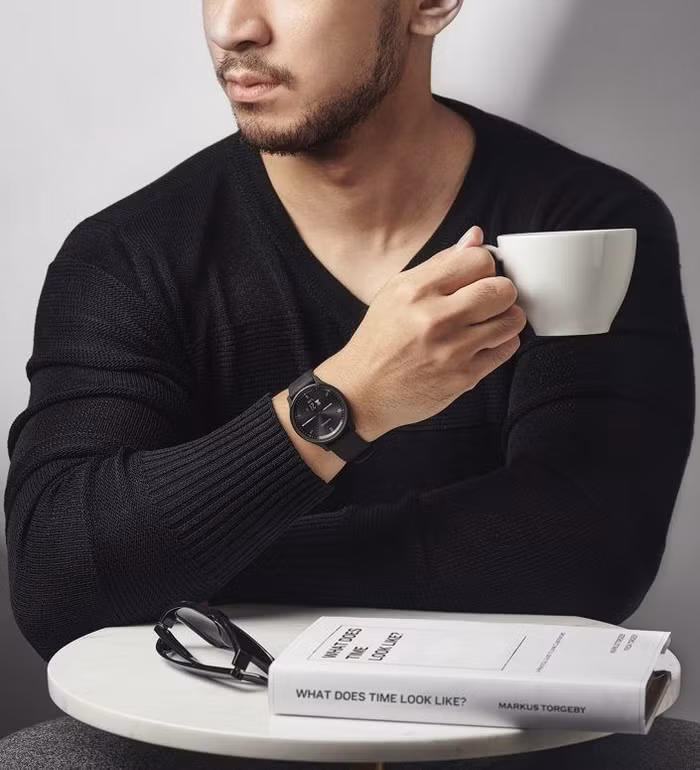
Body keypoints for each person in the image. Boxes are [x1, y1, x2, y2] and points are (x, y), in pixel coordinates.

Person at [2, 0, 697, 767]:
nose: (233, 27)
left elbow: (589, 556)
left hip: (517, 743)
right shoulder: (128, 256)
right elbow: (59, 578)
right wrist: (346, 399)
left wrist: (189, 564)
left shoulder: (584, 227)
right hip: (205, 736)